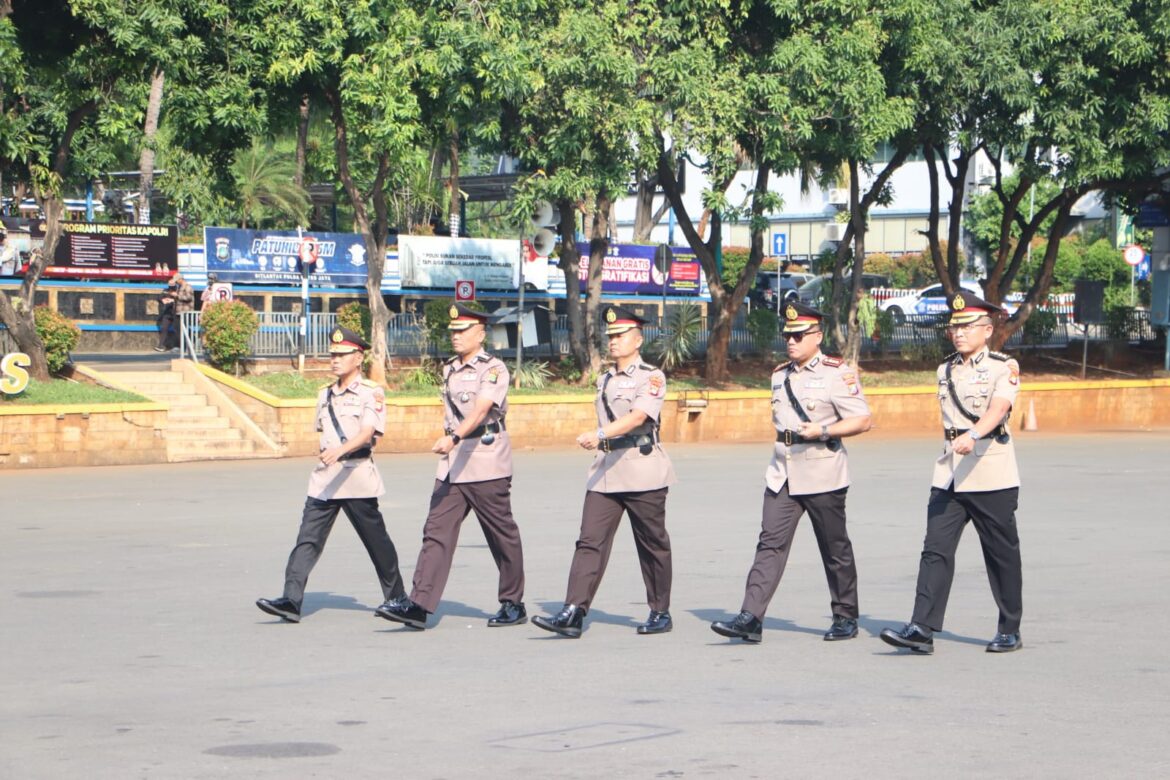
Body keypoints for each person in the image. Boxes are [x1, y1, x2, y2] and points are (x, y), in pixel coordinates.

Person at [711, 301, 872, 644]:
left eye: (799, 335)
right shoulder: (780, 374)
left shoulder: (836, 373)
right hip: (783, 470)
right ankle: (750, 616)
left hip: (822, 470)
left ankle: (845, 615)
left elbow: (862, 419)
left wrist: (825, 431)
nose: (791, 341)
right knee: (769, 543)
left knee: (834, 547)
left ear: (818, 336)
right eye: (788, 335)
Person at [880, 291, 1024, 654]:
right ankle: (922, 628)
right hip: (949, 473)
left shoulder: (1002, 367)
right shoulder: (944, 369)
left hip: (990, 471)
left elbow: (1000, 407)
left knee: (1000, 554)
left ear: (987, 330)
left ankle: (1009, 629)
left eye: (966, 326)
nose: (958, 333)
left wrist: (974, 434)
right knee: (935, 550)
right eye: (953, 327)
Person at [375, 303, 526, 630]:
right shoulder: (449, 368)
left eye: (463, 331)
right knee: (436, 532)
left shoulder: (493, 368)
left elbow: (482, 409)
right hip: (453, 463)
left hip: (485, 460)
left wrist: (454, 437)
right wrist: (453, 441)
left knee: (500, 535)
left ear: (481, 334)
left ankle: (513, 602)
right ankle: (419, 604)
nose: (456, 336)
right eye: (453, 331)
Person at [532, 305, 675, 638]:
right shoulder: (605, 378)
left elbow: (639, 417)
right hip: (606, 470)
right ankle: (573, 610)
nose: (613, 341)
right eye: (610, 336)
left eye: (620, 335)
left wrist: (598, 435)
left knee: (652, 543)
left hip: (642, 468)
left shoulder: (651, 377)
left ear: (637, 339)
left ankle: (659, 610)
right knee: (589, 542)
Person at [256, 326, 406, 623]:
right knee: (307, 540)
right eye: (332, 354)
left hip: (356, 477)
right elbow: (324, 434)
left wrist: (340, 450)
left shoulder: (370, 392)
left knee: (377, 543)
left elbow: (366, 433)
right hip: (325, 479)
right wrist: (329, 453)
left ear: (358, 357)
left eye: (342, 354)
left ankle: (398, 598)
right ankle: (291, 600)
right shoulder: (323, 394)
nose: (335, 359)